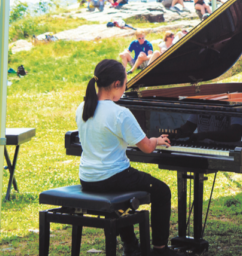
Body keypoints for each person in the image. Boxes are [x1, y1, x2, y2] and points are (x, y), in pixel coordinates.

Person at [76, 59, 182, 256]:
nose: (124, 90)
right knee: (162, 191)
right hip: (112, 179)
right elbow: (147, 148)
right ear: (117, 84)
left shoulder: (82, 107)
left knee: (125, 190)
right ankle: (160, 249)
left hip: (88, 178)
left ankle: (131, 244)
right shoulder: (120, 113)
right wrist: (156, 140)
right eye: (125, 84)